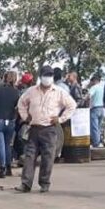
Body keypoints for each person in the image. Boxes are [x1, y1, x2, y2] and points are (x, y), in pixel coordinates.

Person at [14, 65, 77, 193]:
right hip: (34, 128)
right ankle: (26, 184)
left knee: (48, 158)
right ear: (40, 76)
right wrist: (25, 117)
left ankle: (44, 183)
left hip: (50, 129)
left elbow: (72, 105)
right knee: (29, 156)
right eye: (45, 75)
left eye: (50, 75)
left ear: (52, 77)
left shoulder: (59, 92)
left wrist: (60, 119)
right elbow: (21, 103)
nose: (47, 78)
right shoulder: (31, 91)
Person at [0, 70, 21, 178]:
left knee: (0, 145)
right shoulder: (16, 92)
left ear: (4, 77)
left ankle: (2, 168)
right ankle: (8, 168)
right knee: (7, 145)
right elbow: (18, 106)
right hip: (10, 120)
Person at [87, 75, 105, 147]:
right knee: (99, 127)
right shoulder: (102, 88)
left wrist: (85, 100)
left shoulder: (93, 87)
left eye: (91, 81)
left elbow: (89, 96)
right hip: (102, 108)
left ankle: (96, 143)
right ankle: (99, 141)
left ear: (94, 81)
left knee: (94, 127)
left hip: (95, 109)